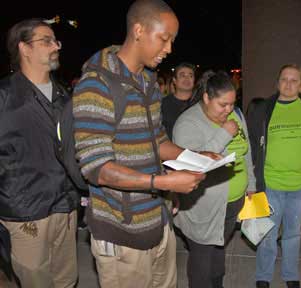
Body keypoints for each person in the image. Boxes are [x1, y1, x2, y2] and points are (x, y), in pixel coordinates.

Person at [72, 1, 208, 287]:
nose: (169, 48)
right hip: (121, 231)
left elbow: (156, 139)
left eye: (172, 40)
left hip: (158, 221)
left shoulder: (147, 82)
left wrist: (195, 158)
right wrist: (165, 183)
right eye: (164, 37)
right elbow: (98, 169)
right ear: (138, 30)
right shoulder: (97, 85)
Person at [0, 18, 78, 287]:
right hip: (25, 212)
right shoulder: (5, 97)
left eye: (56, 40)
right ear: (24, 48)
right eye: (46, 40)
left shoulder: (64, 96)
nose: (55, 46)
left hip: (65, 207)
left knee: (66, 280)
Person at [172, 70, 256, 288]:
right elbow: (192, 165)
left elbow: (246, 153)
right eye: (222, 105)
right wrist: (225, 133)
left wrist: (251, 185)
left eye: (232, 104)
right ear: (207, 98)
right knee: (202, 257)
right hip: (204, 205)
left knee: (218, 251)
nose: (229, 110)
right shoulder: (187, 123)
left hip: (233, 202)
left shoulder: (236, 114)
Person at [249, 64, 301, 288]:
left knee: (293, 234)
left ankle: (290, 274)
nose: (289, 84)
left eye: (295, 80)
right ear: (277, 83)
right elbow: (253, 145)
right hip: (271, 183)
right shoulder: (263, 110)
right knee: (268, 234)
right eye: (284, 79)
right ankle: (263, 276)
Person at [161, 62, 196, 139]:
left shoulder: (200, 103)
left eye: (190, 76)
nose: (187, 78)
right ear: (174, 80)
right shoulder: (162, 104)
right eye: (182, 75)